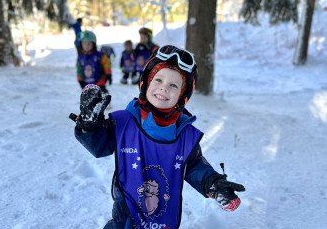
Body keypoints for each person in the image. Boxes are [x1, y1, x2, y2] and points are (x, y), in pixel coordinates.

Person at [72, 45, 245, 229]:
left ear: (182, 96)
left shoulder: (185, 135)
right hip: (125, 220)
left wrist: (214, 184)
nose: (164, 88)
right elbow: (99, 146)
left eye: (173, 85)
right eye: (158, 80)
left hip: (164, 222)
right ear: (145, 82)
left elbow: (195, 166)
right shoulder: (123, 122)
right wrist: (89, 125)